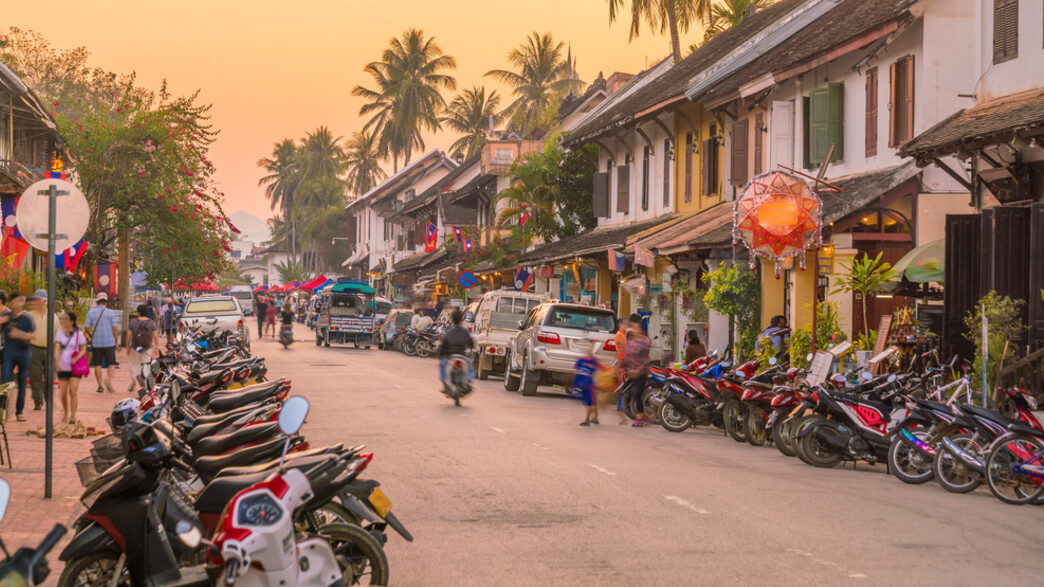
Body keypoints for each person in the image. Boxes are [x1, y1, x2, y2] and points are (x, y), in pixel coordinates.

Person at [2, 293, 35, 421]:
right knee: (5, 383)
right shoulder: (7, 317)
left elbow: (34, 335)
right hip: (9, 354)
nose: (18, 304)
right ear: (11, 303)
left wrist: (19, 334)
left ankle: (19, 412)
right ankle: (3, 412)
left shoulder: (27, 319)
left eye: (21, 301)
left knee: (22, 384)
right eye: (16, 301)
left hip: (23, 354)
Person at [55, 311, 87, 424]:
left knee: (73, 391)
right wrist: (56, 362)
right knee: (63, 392)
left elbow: (83, 349)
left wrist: (76, 358)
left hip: (75, 367)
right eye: (62, 319)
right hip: (63, 366)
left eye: (66, 319)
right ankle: (65, 412)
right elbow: (57, 349)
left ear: (72, 322)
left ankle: (72, 415)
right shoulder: (59, 334)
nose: (63, 321)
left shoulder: (79, 334)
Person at [85, 292, 120, 394]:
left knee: (97, 364)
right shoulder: (110, 313)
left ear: (96, 302)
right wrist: (116, 342)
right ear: (106, 302)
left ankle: (100, 386)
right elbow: (115, 328)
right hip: (109, 342)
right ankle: (109, 380)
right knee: (111, 363)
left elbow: (86, 327)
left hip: (97, 342)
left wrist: (91, 334)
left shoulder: (91, 313)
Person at [621, 314, 651, 427]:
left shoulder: (645, 341)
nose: (634, 330)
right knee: (632, 392)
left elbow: (645, 358)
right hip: (632, 371)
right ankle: (642, 416)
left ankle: (640, 419)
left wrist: (638, 370)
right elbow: (628, 354)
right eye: (633, 328)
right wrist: (625, 366)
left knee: (638, 394)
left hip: (641, 372)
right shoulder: (632, 341)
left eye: (636, 328)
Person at [27, 290, 54, 411]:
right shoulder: (30, 316)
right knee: (35, 375)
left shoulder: (53, 316)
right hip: (34, 348)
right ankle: (38, 400)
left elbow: (58, 334)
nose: (39, 302)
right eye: (37, 300)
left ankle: (48, 399)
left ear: (46, 301)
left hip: (49, 348)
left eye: (41, 300)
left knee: (50, 375)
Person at [437, 310, 474, 391]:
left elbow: (443, 346)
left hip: (449, 357)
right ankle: (468, 381)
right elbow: (471, 344)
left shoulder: (448, 332)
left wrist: (441, 356)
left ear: (452, 320)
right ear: (461, 320)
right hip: (462, 356)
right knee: (470, 367)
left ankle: (444, 386)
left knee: (441, 365)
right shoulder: (465, 332)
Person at [126, 304, 158, 393]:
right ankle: (146, 385)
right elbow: (155, 336)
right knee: (146, 366)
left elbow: (128, 335)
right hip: (147, 347)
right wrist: (156, 347)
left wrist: (128, 346)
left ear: (138, 312)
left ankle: (133, 381)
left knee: (133, 365)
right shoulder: (151, 322)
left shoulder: (133, 322)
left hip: (135, 347)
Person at [573, 341, 601, 426]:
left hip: (591, 384)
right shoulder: (581, 360)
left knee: (590, 402)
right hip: (585, 384)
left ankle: (587, 419)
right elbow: (576, 370)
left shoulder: (594, 360)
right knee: (590, 402)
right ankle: (594, 417)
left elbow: (598, 371)